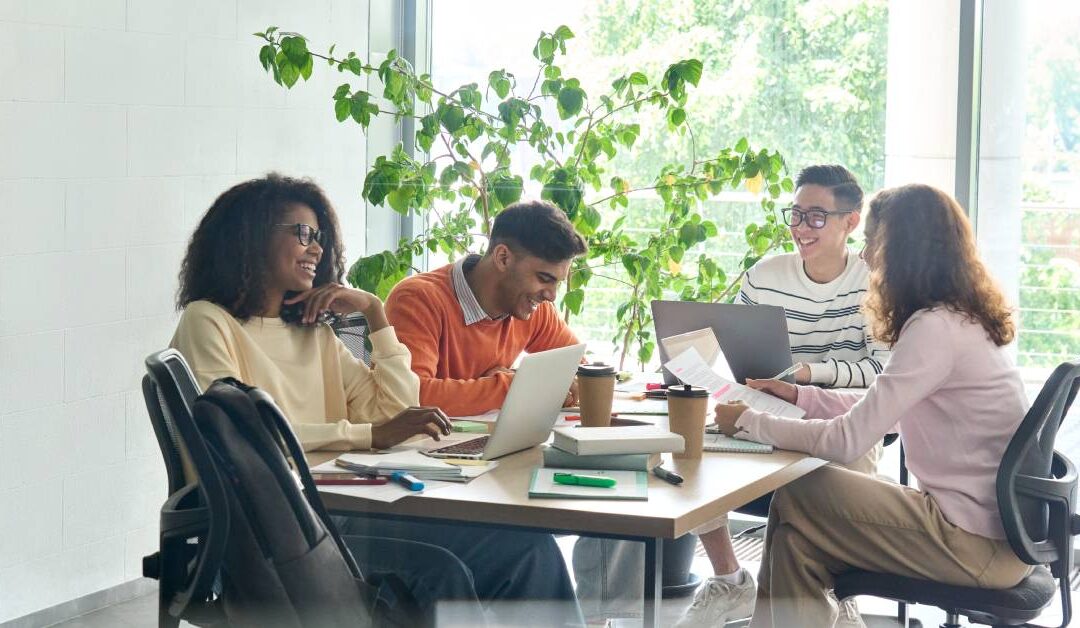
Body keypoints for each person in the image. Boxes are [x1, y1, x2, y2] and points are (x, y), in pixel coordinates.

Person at [171, 174, 582, 626]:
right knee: (440, 573)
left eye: (320, 237)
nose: (316, 249)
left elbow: (396, 410)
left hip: (338, 509)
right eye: (302, 233)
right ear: (248, 235)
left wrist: (374, 312)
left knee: (528, 550)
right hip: (280, 531)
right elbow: (242, 442)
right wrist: (367, 434)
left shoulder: (314, 333)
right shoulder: (207, 321)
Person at [712, 183, 1031, 627]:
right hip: (990, 537)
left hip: (975, 545)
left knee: (797, 491)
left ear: (903, 251)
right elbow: (882, 405)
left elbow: (846, 441)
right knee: (796, 545)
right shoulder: (958, 319)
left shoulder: (934, 329)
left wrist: (750, 422)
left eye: (871, 243)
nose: (864, 257)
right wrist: (800, 396)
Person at [676, 165, 889, 627]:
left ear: (850, 222)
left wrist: (812, 375)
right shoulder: (766, 275)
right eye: (796, 215)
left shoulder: (875, 281)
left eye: (816, 217)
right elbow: (734, 351)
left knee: (846, 461)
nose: (800, 228)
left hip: (847, 417)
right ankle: (730, 580)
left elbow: (884, 374)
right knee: (686, 448)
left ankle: (836, 590)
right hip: (767, 407)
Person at [384, 199, 587, 416]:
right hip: (419, 447)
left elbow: (578, 370)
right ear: (503, 258)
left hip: (485, 443)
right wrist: (517, 387)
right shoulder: (417, 299)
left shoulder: (533, 308)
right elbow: (413, 398)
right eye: (544, 278)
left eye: (557, 283)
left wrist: (510, 379)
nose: (551, 295)